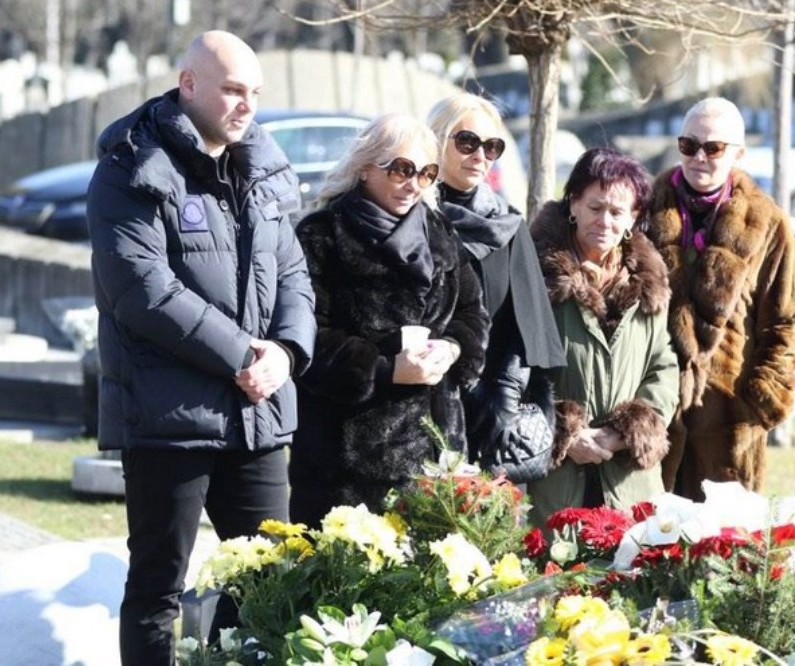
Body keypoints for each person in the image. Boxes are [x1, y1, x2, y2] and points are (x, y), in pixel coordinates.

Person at [86, 31, 316, 665]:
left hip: (257, 417)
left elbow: (293, 274)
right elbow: (142, 291)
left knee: (274, 582)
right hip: (169, 421)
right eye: (233, 91)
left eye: (256, 94)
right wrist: (244, 353)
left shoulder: (263, 165)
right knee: (160, 588)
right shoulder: (129, 165)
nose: (248, 106)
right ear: (188, 85)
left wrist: (286, 354)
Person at [289, 113, 488, 524]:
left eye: (426, 173)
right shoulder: (322, 236)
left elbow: (472, 313)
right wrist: (384, 370)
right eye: (401, 169)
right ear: (365, 168)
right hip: (348, 461)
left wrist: (452, 349)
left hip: (437, 455)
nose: (413, 183)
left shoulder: (439, 231)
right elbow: (306, 336)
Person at [645, 97, 795, 502]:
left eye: (713, 148)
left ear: (738, 153)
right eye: (688, 145)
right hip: (654, 421)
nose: (699, 157)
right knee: (649, 550)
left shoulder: (768, 223)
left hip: (729, 427)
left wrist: (758, 403)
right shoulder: (645, 209)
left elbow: (785, 322)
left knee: (724, 557)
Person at [527, 147, 679, 528]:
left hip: (629, 484)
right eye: (595, 208)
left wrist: (625, 432)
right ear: (573, 204)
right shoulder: (534, 275)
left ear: (634, 218)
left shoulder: (649, 282)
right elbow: (514, 369)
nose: (605, 221)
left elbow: (664, 366)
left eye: (617, 212)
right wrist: (564, 433)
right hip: (554, 481)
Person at [426, 92, 565, 481]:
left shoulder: (506, 225)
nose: (480, 155)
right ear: (437, 140)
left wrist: (504, 399)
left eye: (492, 146)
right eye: (467, 142)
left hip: (491, 413)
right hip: (419, 403)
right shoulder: (412, 218)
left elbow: (526, 329)